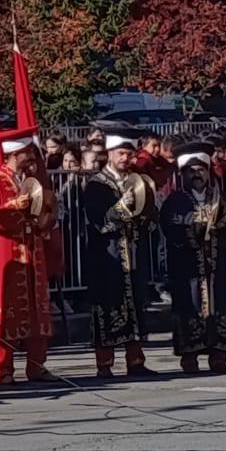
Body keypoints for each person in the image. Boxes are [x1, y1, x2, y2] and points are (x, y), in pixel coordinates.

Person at [160, 144, 226, 374]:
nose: (197, 174)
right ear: (183, 174)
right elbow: (170, 226)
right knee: (188, 306)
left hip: (217, 264)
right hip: (187, 266)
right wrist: (195, 228)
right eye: (191, 170)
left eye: (201, 169)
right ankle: (189, 356)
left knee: (220, 304)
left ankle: (219, 356)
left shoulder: (220, 198)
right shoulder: (175, 200)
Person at [77, 126, 156, 378]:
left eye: (128, 154)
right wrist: (122, 208)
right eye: (121, 153)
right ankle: (104, 364)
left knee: (135, 303)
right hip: (106, 256)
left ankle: (136, 360)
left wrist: (146, 216)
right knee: (108, 305)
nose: (125, 158)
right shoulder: (95, 185)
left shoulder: (138, 180)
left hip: (133, 250)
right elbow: (98, 220)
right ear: (110, 153)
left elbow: (150, 215)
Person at [0, 127, 58, 385]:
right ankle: (3, 368)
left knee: (36, 307)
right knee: (7, 308)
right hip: (7, 254)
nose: (32, 159)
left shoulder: (29, 180)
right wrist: (15, 206)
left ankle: (37, 365)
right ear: (15, 154)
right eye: (27, 154)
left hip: (31, 251)